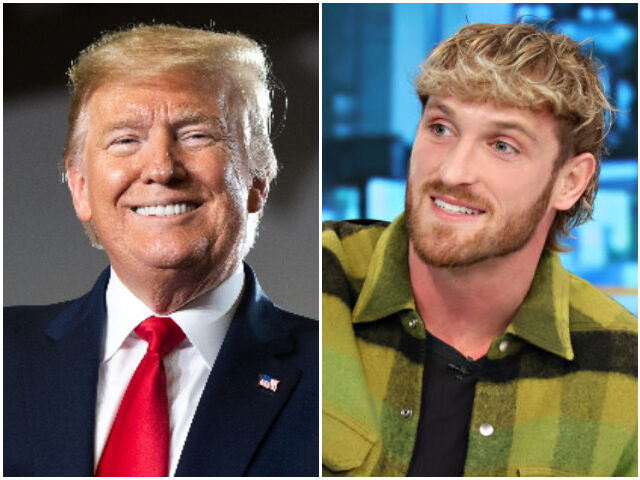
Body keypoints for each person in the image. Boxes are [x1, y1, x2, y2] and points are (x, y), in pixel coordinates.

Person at [322, 22, 637, 477]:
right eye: (441, 128)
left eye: (502, 145)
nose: (452, 171)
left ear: (569, 181)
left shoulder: (626, 369)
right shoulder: (320, 279)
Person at [5, 24, 318, 477]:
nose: (161, 168)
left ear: (258, 179)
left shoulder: (327, 377)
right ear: (80, 189)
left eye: (195, 135)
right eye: (126, 140)